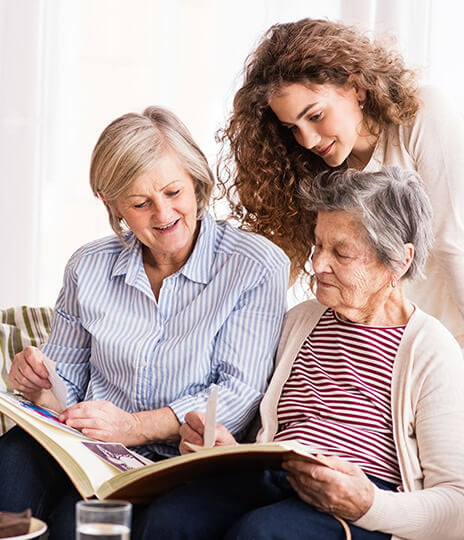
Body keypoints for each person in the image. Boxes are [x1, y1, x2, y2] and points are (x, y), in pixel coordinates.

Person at [0, 106, 289, 538]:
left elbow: (238, 392)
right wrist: (39, 383)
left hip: (185, 457)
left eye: (174, 192)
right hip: (91, 449)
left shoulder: (255, 265)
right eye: (140, 203)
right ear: (111, 203)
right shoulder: (88, 266)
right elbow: (65, 391)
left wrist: (133, 428)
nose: (163, 214)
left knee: (73, 525)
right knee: (9, 465)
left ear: (196, 181)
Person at [138, 167, 464, 540]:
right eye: (318, 245)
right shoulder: (301, 320)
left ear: (398, 261)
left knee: (262, 534)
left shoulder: (431, 349)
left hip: (360, 498)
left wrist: (368, 504)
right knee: (169, 518)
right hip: (275, 475)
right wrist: (226, 448)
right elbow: (265, 432)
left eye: (341, 253)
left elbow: (457, 507)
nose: (317, 264)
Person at [218, 17, 464, 348]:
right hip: (375, 347)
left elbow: (454, 243)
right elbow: (280, 268)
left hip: (446, 339)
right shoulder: (314, 169)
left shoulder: (422, 116)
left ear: (356, 87)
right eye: (292, 127)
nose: (307, 139)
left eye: (315, 116)